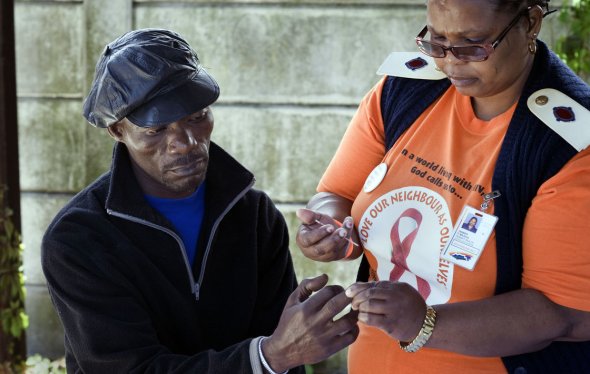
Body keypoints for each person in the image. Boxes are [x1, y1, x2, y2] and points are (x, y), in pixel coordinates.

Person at [295, 0, 590, 373]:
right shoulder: (404, 90)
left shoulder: (569, 142)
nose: (450, 61)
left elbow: (565, 312)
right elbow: (337, 196)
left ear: (530, 23)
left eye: (472, 44)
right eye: (437, 41)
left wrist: (425, 324)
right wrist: (328, 228)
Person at [41, 28, 358, 374]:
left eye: (197, 116)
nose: (186, 142)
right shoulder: (78, 239)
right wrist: (268, 357)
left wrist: (288, 351)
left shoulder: (255, 216)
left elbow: (286, 353)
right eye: (156, 129)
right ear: (117, 130)